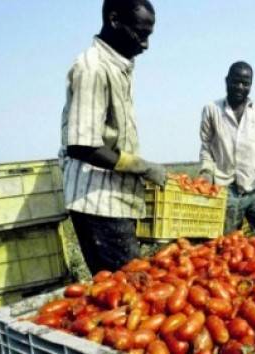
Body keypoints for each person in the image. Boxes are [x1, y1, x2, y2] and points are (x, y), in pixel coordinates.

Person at [59, 0, 165, 275]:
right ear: (114, 20)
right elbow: (81, 144)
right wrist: (141, 166)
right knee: (129, 287)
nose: (145, 45)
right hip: (98, 202)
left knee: (126, 288)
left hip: (114, 198)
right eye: (140, 34)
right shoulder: (92, 67)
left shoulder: (118, 66)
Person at [199, 61, 255, 237]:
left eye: (245, 83)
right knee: (225, 243)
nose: (240, 87)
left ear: (250, 86)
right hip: (225, 188)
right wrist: (207, 172)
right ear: (226, 80)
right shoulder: (212, 110)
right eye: (236, 81)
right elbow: (206, 146)